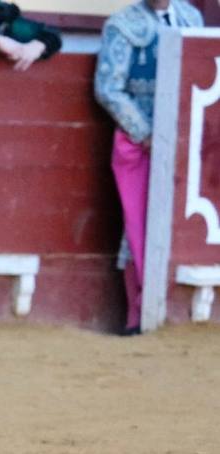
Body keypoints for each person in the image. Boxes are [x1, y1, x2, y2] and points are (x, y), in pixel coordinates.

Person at [95, 0, 202, 334]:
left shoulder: (191, 18)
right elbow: (109, 89)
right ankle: (137, 316)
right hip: (141, 144)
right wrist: (147, 134)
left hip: (187, 144)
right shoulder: (122, 24)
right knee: (138, 226)